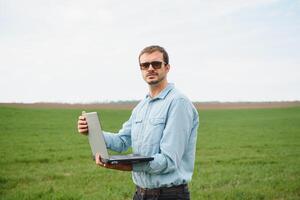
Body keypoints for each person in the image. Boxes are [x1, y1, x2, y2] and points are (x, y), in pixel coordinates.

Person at [77, 45, 199, 200]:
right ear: (141, 70)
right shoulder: (140, 107)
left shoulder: (178, 103)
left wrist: (124, 165)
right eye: (144, 65)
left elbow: (168, 161)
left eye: (156, 64)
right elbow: (122, 141)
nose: (150, 69)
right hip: (141, 194)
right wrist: (92, 132)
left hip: (169, 195)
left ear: (167, 68)